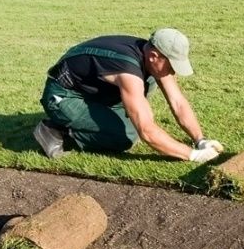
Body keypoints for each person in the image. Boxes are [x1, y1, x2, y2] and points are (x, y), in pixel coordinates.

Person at [33, 28, 224, 163]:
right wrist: (192, 155)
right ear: (154, 56)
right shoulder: (127, 70)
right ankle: (56, 130)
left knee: (146, 89)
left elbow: (178, 101)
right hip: (63, 96)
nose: (173, 71)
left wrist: (200, 140)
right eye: (171, 64)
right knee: (125, 137)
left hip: (93, 90)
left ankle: (98, 118)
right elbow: (147, 132)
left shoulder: (148, 53)